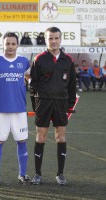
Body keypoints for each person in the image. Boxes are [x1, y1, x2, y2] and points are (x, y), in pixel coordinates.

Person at [30, 27, 76, 186]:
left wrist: (69, 105)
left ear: (60, 39)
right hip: (43, 102)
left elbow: (72, 85)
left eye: (56, 38)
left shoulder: (68, 60)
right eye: (50, 38)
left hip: (60, 103)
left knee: (60, 137)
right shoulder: (39, 59)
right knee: (40, 136)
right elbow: (33, 84)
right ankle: (37, 174)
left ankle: (60, 174)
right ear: (46, 39)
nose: (54, 41)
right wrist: (36, 104)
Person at [0, 32, 30, 185]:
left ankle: (23, 174)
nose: (10, 47)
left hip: (19, 109)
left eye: (13, 44)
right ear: (3, 44)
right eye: (7, 44)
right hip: (0, 110)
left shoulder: (24, 61)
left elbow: (29, 77)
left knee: (22, 141)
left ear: (17, 45)